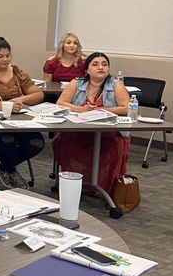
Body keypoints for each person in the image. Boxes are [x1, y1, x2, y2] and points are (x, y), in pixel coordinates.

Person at [0, 37, 45, 189]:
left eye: (8, 56)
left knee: (36, 143)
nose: (5, 60)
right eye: (0, 56)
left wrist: (21, 99)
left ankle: (5, 166)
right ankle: (10, 170)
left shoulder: (17, 71)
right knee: (7, 142)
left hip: (18, 120)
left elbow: (38, 94)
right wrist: (6, 106)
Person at [53, 53, 130, 193]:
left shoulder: (116, 84)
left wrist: (103, 110)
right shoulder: (76, 83)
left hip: (107, 134)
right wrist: (81, 109)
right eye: (95, 64)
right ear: (87, 69)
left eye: (104, 64)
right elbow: (60, 103)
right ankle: (74, 184)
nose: (101, 67)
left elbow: (126, 108)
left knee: (110, 146)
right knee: (63, 141)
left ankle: (101, 187)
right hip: (78, 132)